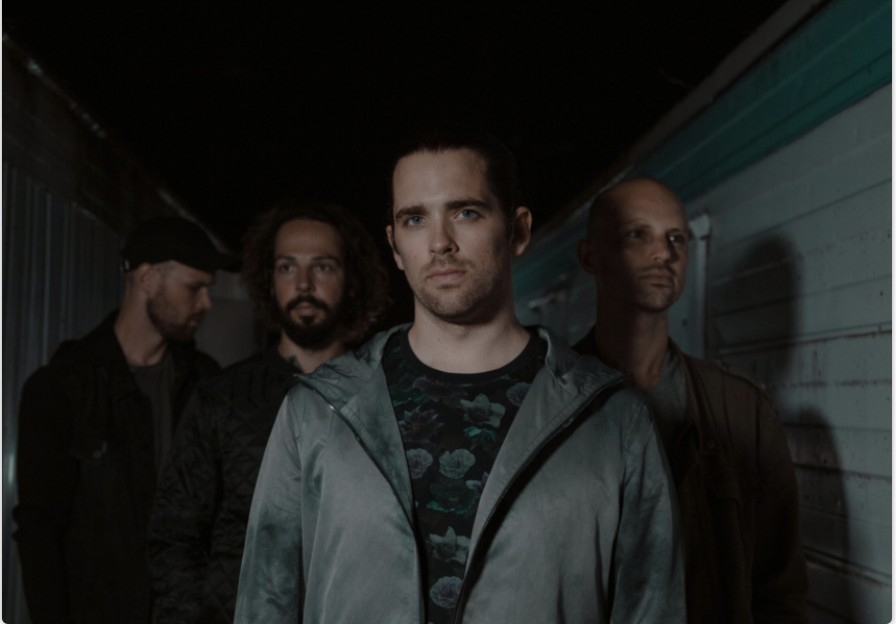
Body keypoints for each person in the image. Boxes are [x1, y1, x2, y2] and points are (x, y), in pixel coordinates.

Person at [234, 124, 685, 624]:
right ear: (395, 246)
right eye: (415, 219)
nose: (440, 242)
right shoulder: (316, 413)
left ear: (517, 231)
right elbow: (265, 604)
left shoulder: (614, 421)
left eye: (465, 212)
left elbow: (652, 610)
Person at [573, 178, 808, 623]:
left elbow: (780, 589)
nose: (664, 253)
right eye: (637, 234)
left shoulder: (742, 409)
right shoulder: (550, 403)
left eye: (676, 238)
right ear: (590, 257)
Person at [147, 200, 389, 623]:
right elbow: (175, 539)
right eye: (287, 267)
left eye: (323, 267)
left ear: (352, 280)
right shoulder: (221, 399)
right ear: (269, 281)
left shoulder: (388, 400)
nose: (304, 284)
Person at [14, 217, 232, 624]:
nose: (207, 302)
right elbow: (39, 530)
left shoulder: (206, 383)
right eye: (194, 288)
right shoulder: (62, 388)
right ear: (146, 278)